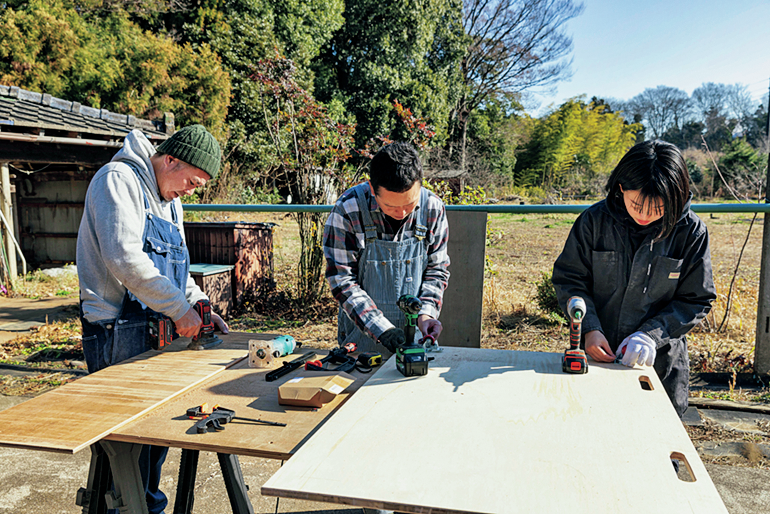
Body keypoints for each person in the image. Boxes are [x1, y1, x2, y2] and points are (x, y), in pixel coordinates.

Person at [77, 124, 229, 514]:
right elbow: (125, 258)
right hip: (116, 331)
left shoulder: (169, 200)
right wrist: (179, 310)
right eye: (191, 181)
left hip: (152, 329)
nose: (190, 191)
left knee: (153, 444)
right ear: (171, 159)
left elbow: (178, 269)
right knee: (124, 454)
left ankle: (147, 507)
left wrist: (198, 306)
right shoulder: (118, 180)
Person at [551, 139, 716, 418]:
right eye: (636, 204)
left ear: (675, 198)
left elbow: (696, 298)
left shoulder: (691, 233)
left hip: (659, 364)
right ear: (621, 188)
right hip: (596, 356)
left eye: (658, 208)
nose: (644, 215)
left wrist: (651, 335)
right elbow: (570, 280)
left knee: (657, 444)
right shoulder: (594, 222)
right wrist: (589, 327)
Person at [323, 141, 450, 357]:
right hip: (361, 339)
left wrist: (427, 313)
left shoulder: (432, 207)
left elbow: (437, 269)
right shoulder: (347, 211)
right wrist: (384, 331)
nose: (401, 213)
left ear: (420, 184)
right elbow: (342, 281)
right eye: (391, 206)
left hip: (416, 340)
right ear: (373, 189)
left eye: (409, 205)